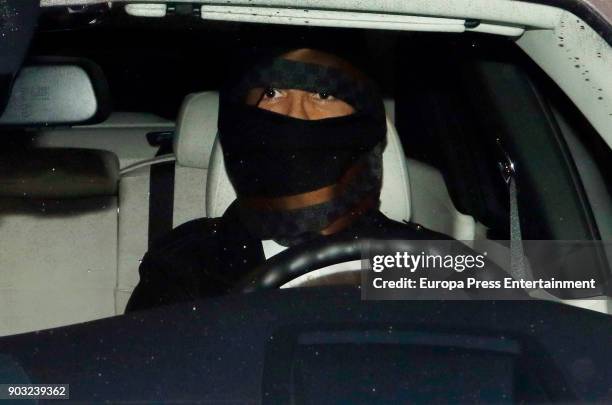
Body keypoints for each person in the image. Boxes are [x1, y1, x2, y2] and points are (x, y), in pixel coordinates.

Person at [125, 48, 450, 312]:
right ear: (239, 119)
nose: (295, 116)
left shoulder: (434, 261)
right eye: (272, 92)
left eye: (323, 94)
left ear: (362, 122)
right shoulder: (186, 263)